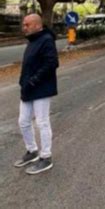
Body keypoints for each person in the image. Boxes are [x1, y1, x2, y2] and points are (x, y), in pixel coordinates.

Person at [14, 14, 59, 175]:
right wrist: (23, 81)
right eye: (23, 24)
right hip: (28, 88)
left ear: (37, 25)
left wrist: (34, 80)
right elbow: (28, 65)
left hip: (41, 88)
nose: (23, 27)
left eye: (27, 24)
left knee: (42, 122)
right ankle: (32, 151)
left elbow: (52, 63)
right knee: (23, 121)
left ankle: (46, 157)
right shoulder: (33, 40)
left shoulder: (46, 40)